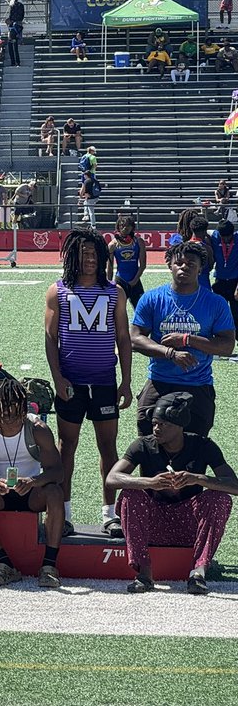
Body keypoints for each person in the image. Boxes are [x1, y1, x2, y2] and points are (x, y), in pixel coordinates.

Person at [45, 229, 132, 540]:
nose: (90, 259)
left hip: (104, 381)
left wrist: (126, 380)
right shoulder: (58, 291)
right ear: (72, 257)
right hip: (71, 383)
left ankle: (110, 515)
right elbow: (51, 338)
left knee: (108, 447)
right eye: (84, 253)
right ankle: (63, 513)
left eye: (95, 253)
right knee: (66, 447)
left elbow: (123, 337)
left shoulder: (114, 293)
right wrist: (57, 378)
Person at [105, 393, 238, 595]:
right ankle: (144, 573)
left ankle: (198, 573)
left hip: (189, 524)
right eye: (155, 423)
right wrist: (150, 483)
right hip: (152, 524)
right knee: (130, 495)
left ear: (179, 426)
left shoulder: (203, 445)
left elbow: (234, 486)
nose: (156, 428)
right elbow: (112, 479)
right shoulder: (143, 444)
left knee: (219, 499)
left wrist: (199, 479)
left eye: (163, 424)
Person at [130, 241, 235, 436]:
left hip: (198, 384)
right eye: (179, 262)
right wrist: (169, 353)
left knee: (195, 448)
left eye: (191, 263)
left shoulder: (215, 303)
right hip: (159, 380)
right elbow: (135, 338)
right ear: (169, 264)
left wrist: (188, 339)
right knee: (149, 444)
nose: (184, 266)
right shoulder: (152, 298)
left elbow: (227, 346)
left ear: (200, 268)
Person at [0, 379, 65, 587]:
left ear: (23, 408)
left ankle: (49, 566)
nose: (9, 418)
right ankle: (4, 564)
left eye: (14, 413)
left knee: (55, 493)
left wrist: (33, 481)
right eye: (3, 414)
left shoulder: (38, 428)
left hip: (31, 494)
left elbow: (58, 472)